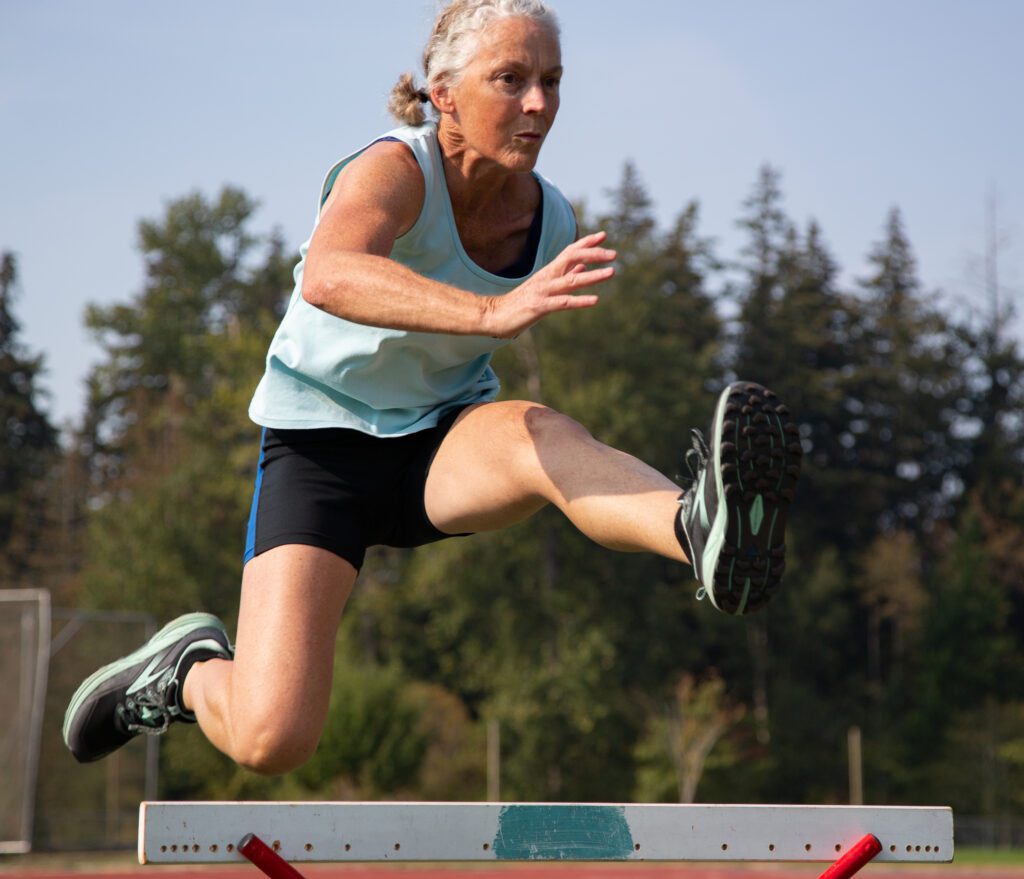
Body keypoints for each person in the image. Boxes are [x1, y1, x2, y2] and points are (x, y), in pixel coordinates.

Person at [64, 0, 801, 773]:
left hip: (441, 443)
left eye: (551, 80)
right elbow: (330, 273)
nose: (540, 104)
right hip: (322, 454)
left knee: (537, 432)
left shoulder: (548, 219)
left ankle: (700, 529)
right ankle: (184, 671)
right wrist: (490, 310)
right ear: (444, 93)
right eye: (510, 79)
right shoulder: (393, 169)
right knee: (271, 738)